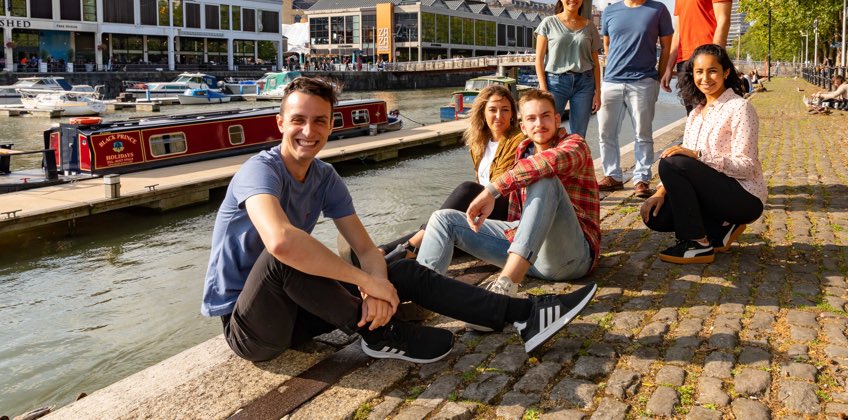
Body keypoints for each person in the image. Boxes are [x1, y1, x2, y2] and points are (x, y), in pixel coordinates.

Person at [200, 77, 597, 362]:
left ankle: (524, 315)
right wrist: (364, 281)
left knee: (405, 271)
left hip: (304, 315)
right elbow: (281, 242)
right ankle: (381, 335)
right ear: (281, 124)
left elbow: (366, 249)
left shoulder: (325, 178)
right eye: (299, 120)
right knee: (281, 259)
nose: (309, 130)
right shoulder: (259, 171)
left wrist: (375, 282)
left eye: (320, 121)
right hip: (251, 327)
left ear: (331, 125)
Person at [417, 89, 601, 301]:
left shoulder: (575, 144)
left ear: (557, 119)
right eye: (531, 118)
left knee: (544, 178)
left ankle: (503, 289)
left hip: (571, 257)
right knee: (443, 220)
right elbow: (517, 219)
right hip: (532, 257)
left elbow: (545, 164)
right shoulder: (522, 151)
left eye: (545, 116)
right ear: (523, 126)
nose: (539, 123)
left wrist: (491, 191)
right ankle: (422, 295)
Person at [640, 44, 766, 264]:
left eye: (712, 71)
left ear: (726, 72)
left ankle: (698, 243)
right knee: (655, 216)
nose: (705, 78)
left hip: (743, 196)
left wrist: (699, 154)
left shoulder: (739, 108)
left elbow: (748, 166)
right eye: (699, 72)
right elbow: (684, 169)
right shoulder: (696, 113)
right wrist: (660, 193)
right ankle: (719, 228)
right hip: (710, 193)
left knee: (671, 162)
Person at [373, 84, 526, 258]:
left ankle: (409, 248)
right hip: (481, 211)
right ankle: (383, 251)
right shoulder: (480, 143)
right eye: (492, 110)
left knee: (467, 191)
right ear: (483, 112)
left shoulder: (518, 140)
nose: (499, 116)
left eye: (505, 110)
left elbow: (497, 186)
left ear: (513, 113)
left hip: (501, 212)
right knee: (443, 226)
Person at [596, 0, 673, 198]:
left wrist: (659, 76)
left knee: (643, 132)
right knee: (606, 132)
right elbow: (607, 45)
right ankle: (613, 175)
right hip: (612, 81)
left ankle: (641, 178)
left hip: (643, 81)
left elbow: (667, 47)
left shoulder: (657, 10)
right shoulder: (609, 11)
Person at [534, 0, 603, 138]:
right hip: (555, 83)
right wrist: (543, 89)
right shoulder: (548, 23)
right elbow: (538, 60)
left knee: (579, 135)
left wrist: (597, 93)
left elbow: (596, 63)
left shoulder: (590, 26)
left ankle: (576, 163)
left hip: (584, 84)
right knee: (548, 132)